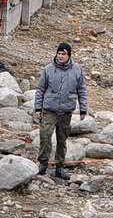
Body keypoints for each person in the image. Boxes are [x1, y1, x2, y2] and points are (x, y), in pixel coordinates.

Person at [33, 42, 88, 181]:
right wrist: (38, 108)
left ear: (69, 55)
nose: (60, 56)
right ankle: (43, 164)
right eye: (59, 53)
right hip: (49, 110)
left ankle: (59, 167)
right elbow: (40, 90)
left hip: (66, 112)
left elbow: (82, 90)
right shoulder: (48, 69)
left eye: (63, 54)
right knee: (45, 136)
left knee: (62, 140)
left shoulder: (77, 70)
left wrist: (83, 109)